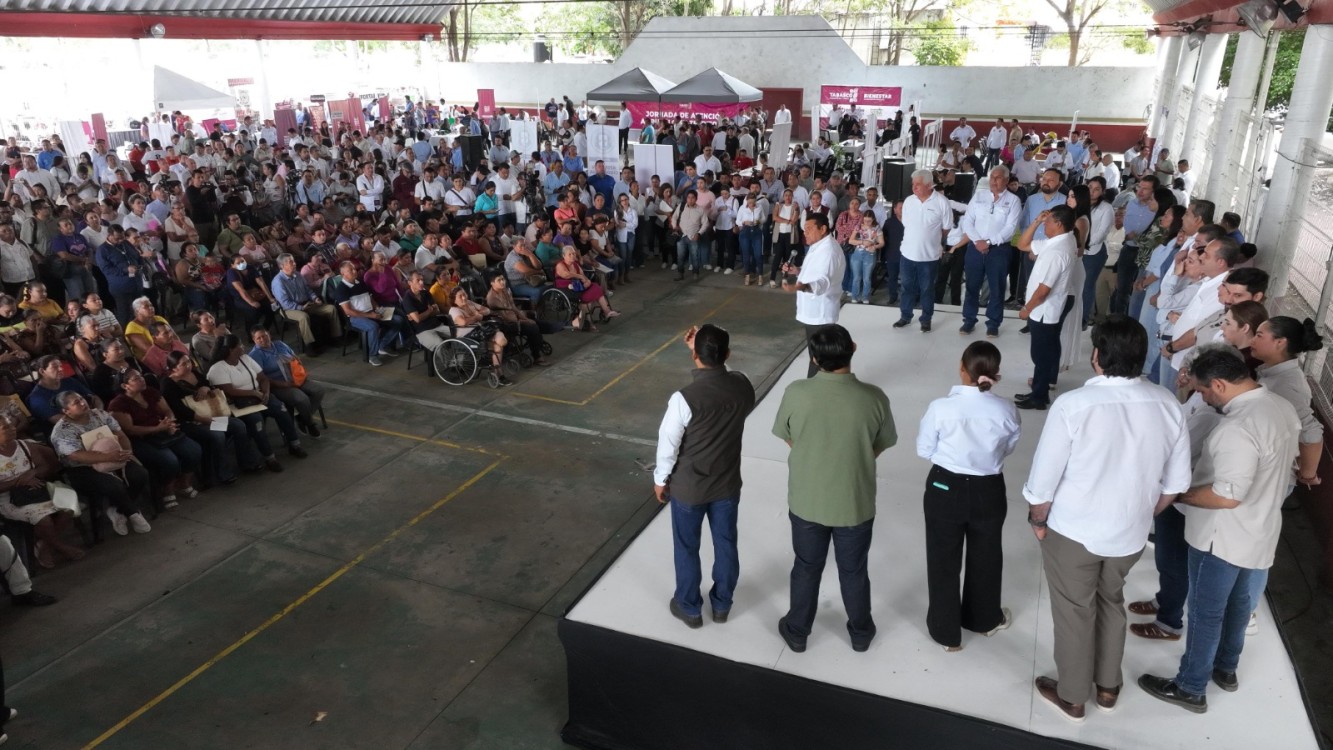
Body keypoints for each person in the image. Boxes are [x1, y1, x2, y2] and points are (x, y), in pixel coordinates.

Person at [1023, 315, 1191, 722]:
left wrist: (1037, 519)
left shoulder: (1075, 404)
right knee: (1111, 601)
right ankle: (1108, 688)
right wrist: (1138, 510)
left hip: (1073, 529)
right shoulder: (1167, 403)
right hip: (1129, 532)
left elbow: (1044, 480)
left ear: (1097, 355)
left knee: (1074, 610)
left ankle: (1073, 695)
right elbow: (1175, 484)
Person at [1138, 345, 1300, 714]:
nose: (1202, 397)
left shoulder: (1237, 428)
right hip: (1261, 528)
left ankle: (1191, 686)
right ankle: (1226, 668)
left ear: (1221, 384)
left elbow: (1227, 496)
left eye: (1203, 390)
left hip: (1221, 536)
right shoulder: (1279, 407)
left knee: (1205, 612)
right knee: (1240, 606)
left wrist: (1178, 495)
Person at [772, 324, 896, 653]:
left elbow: (786, 434)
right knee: (854, 570)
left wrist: (812, 450)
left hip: (807, 501)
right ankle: (860, 632)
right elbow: (881, 443)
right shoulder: (874, 398)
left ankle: (797, 630)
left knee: (806, 567)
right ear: (853, 348)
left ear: (814, 358)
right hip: (854, 503)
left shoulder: (796, 392)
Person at [916, 341, 1021, 651]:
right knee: (987, 556)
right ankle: (984, 620)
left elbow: (924, 449)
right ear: (996, 373)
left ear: (962, 369)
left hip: (944, 487)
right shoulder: (1006, 409)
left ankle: (946, 633)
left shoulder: (941, 407)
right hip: (988, 488)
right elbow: (1010, 446)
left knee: (942, 559)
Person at [654, 324, 756, 628]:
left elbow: (667, 445)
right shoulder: (742, 386)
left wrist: (661, 480)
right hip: (726, 485)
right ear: (727, 354)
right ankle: (722, 605)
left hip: (689, 488)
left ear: (695, 355)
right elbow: (733, 379)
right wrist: (708, 355)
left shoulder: (683, 399)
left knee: (687, 547)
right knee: (726, 543)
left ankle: (690, 607)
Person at [50, 391, 153, 537]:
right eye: (76, 403)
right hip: (82, 468)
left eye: (81, 398)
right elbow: (77, 455)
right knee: (113, 485)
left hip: (114, 456)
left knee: (140, 475)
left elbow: (120, 434)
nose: (82, 402)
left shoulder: (99, 414)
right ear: (66, 411)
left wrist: (127, 452)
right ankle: (133, 513)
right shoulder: (61, 431)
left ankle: (117, 510)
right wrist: (107, 457)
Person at [107, 368, 202, 510]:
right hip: (140, 439)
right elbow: (130, 429)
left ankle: (184, 483)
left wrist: (169, 423)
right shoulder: (118, 404)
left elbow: (167, 411)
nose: (142, 379)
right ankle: (167, 489)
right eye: (136, 378)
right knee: (169, 460)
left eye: (141, 375)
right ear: (124, 386)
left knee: (193, 450)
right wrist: (157, 429)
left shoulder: (150, 392)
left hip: (163, 432)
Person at [0, 412, 83, 569]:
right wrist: (18, 481)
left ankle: (45, 546)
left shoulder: (24, 445)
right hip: (10, 499)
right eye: (6, 427)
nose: (12, 428)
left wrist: (33, 474)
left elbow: (44, 466)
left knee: (68, 504)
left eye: (11, 425)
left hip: (36, 489)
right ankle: (60, 547)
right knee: (44, 520)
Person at [1014, 206, 1077, 410]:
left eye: (1047, 221)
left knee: (1040, 355)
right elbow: (1022, 244)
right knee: (1047, 350)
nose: (1044, 224)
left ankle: (1039, 397)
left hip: (1044, 309)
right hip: (1049, 307)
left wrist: (1027, 309)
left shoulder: (1057, 251)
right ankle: (1042, 387)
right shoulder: (1062, 240)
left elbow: (1043, 291)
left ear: (1058, 224)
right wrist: (1036, 221)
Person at [207, 334, 308, 461]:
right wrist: (254, 393)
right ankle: (269, 457)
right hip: (239, 404)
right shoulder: (217, 369)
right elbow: (229, 391)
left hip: (259, 396)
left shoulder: (246, 359)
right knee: (257, 421)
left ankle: (294, 444)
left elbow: (263, 378)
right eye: (240, 345)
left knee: (282, 410)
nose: (243, 346)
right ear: (231, 349)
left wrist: (265, 392)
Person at [959, 166, 1022, 337]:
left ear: (1007, 181)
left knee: (997, 288)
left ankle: (993, 323)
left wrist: (988, 242)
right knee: (971, 286)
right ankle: (969, 320)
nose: (994, 180)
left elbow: (1011, 228)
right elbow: (968, 221)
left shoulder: (1014, 201)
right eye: (992, 177)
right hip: (975, 247)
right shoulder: (979, 196)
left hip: (999, 250)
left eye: (999, 177)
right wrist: (978, 242)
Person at [781, 214, 845, 378]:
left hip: (820, 314)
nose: (805, 233)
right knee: (816, 355)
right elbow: (814, 272)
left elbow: (822, 283)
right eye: (804, 230)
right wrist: (797, 271)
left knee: (818, 358)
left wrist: (799, 287)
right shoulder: (819, 245)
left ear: (823, 229)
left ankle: (815, 388)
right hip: (814, 312)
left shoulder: (828, 251)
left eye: (809, 229)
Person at [895, 170, 953, 333]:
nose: (914, 188)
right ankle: (905, 316)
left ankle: (926, 319)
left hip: (929, 257)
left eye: (918, 185)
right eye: (913, 184)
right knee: (906, 287)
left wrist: (930, 239)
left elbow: (946, 228)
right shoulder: (908, 201)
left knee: (927, 289)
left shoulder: (942, 202)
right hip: (907, 254)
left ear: (929, 185)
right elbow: (906, 224)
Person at [249, 327, 325, 438]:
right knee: (301, 398)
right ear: (254, 340)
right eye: (258, 338)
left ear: (269, 334)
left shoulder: (280, 344)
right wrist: (284, 384)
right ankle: (310, 424)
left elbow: (295, 358)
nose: (262, 339)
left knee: (319, 390)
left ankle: (301, 418)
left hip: (295, 378)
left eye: (264, 336)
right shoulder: (255, 355)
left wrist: (298, 372)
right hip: (279, 385)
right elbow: (262, 378)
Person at [271, 253, 341, 353]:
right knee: (303, 317)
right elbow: (285, 302)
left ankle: (335, 337)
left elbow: (308, 290)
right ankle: (309, 345)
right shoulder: (278, 281)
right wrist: (301, 307)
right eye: (291, 262)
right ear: (282, 266)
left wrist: (315, 298)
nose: (294, 264)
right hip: (289, 309)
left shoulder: (298, 275)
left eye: (293, 261)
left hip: (306, 304)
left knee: (331, 309)